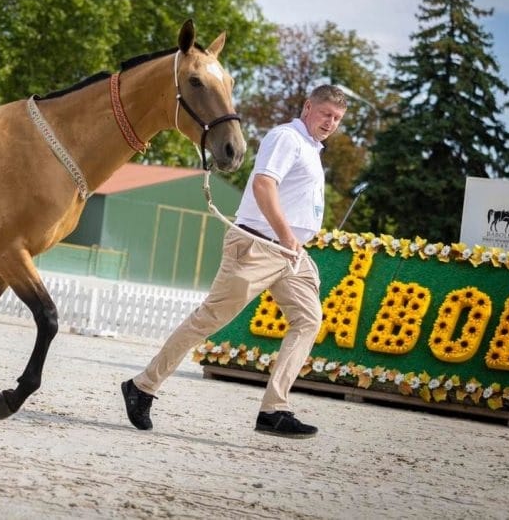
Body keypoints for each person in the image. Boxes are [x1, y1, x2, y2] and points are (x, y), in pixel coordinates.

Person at [121, 84, 348, 438]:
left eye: (337, 118)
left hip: (289, 254)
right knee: (208, 319)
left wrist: (296, 242)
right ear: (307, 107)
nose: (331, 122)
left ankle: (274, 409)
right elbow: (263, 185)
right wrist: (287, 236)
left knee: (308, 319)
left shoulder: (311, 149)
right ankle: (142, 386)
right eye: (326, 114)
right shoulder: (287, 138)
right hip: (257, 247)